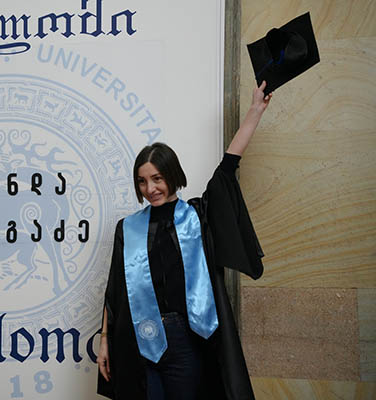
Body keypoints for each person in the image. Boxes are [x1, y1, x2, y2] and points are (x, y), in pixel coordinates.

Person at [96, 81, 272, 400]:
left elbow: (227, 166)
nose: (150, 188)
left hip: (186, 341)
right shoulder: (128, 228)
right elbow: (115, 291)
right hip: (139, 342)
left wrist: (255, 110)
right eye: (142, 181)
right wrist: (105, 341)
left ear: (172, 175)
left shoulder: (197, 217)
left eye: (157, 178)